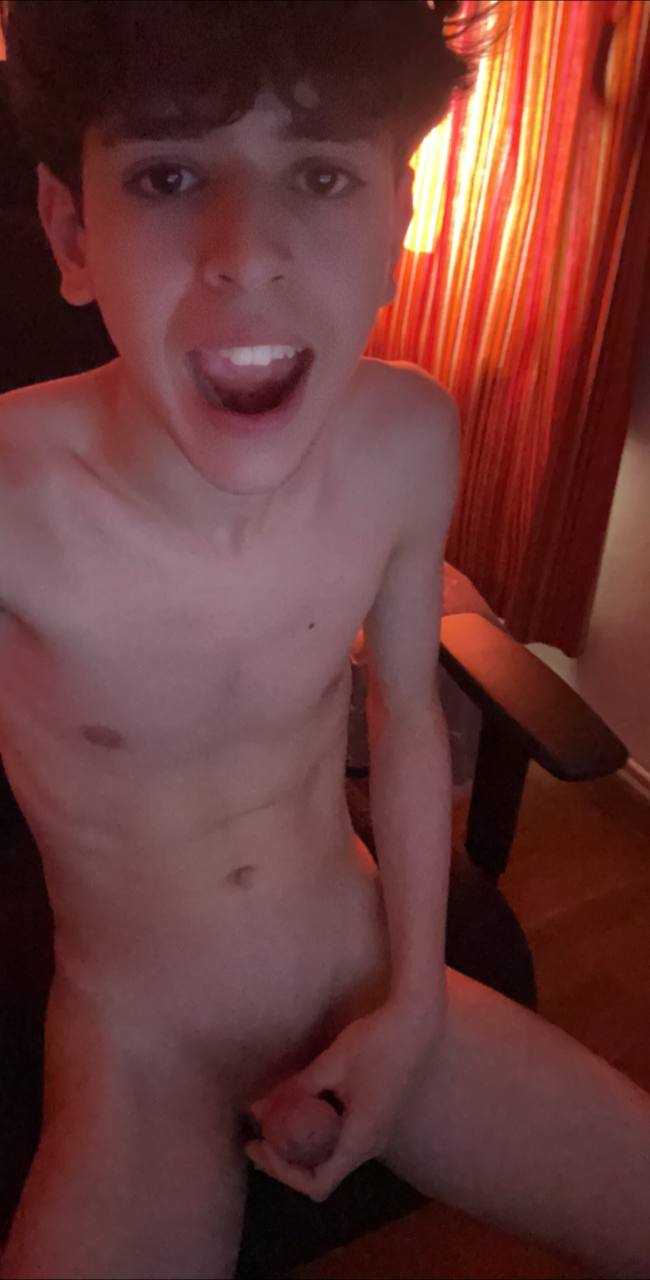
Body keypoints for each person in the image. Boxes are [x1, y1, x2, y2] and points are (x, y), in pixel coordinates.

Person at [0, 3, 648, 1277]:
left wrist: (413, 999)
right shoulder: (13, 497)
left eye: (319, 173)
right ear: (71, 233)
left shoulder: (406, 436)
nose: (246, 255)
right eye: (169, 175)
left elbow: (404, 715)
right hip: (138, 1033)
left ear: (399, 218)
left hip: (356, 961)